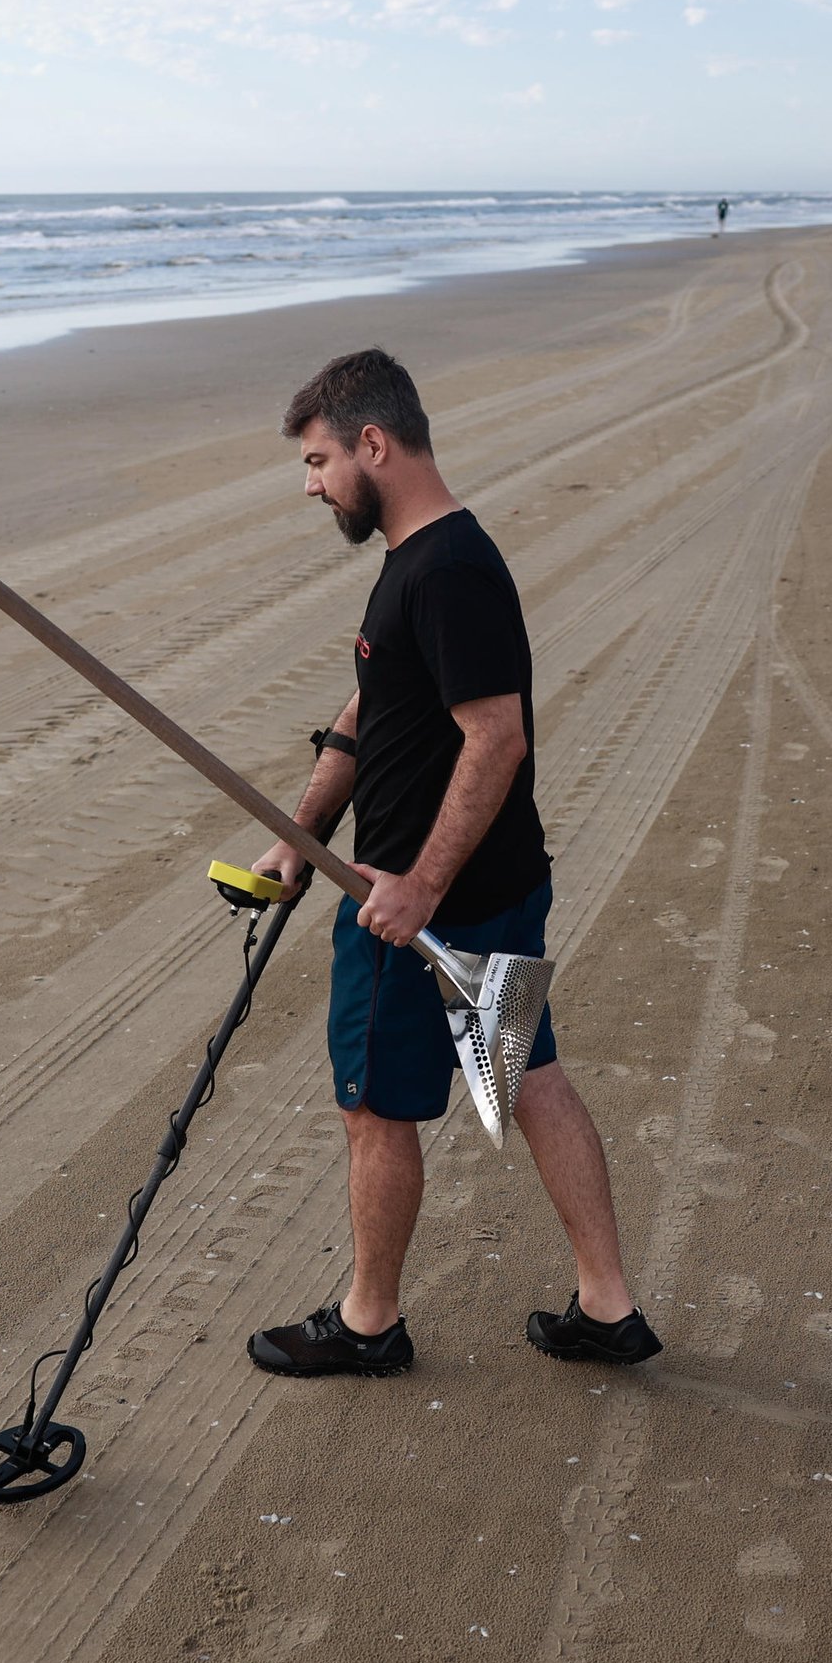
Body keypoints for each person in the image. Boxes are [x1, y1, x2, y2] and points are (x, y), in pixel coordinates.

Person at [244, 348, 660, 1378]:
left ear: (374, 444)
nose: (312, 487)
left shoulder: (448, 571)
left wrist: (418, 887)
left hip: (424, 910)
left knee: (377, 1107)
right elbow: (368, 712)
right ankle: (608, 1307)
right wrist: (298, 840)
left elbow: (497, 737)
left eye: (318, 461)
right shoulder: (418, 564)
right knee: (524, 1076)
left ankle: (369, 1322)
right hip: (479, 891)